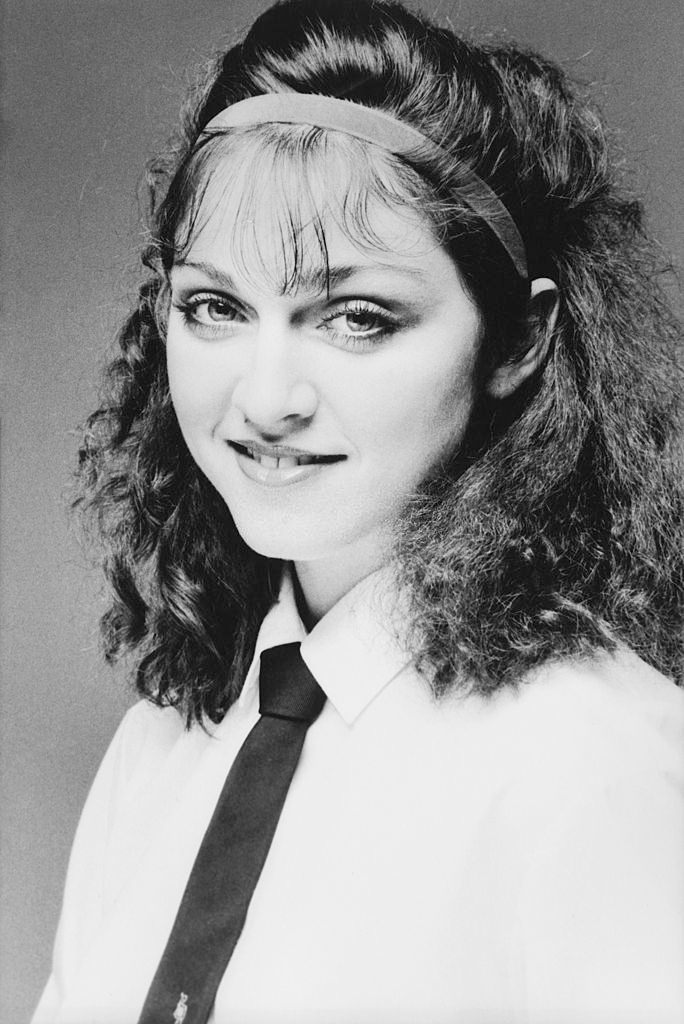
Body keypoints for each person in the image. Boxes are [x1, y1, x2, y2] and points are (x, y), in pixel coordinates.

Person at [34, 0, 684, 1021]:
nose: (265, 397)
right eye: (216, 307)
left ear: (518, 341)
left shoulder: (592, 764)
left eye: (356, 317)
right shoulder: (165, 741)